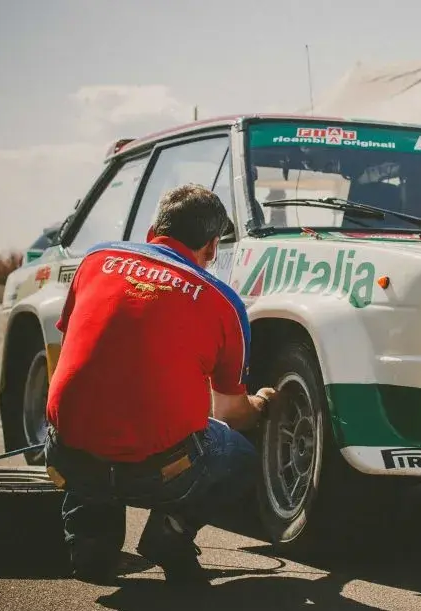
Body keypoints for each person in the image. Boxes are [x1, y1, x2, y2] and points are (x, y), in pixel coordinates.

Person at [43, 183, 277, 586]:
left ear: (153, 231)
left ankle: (90, 541)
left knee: (91, 432)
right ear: (212, 247)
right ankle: (170, 534)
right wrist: (261, 402)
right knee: (239, 457)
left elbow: (77, 357)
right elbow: (231, 415)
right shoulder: (223, 301)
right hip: (155, 472)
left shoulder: (97, 260)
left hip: (67, 453)